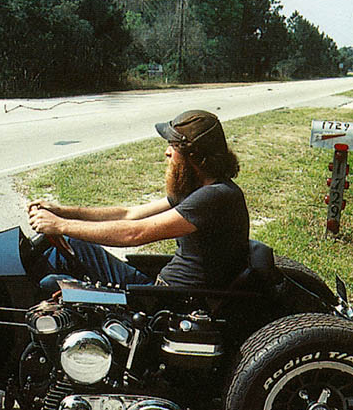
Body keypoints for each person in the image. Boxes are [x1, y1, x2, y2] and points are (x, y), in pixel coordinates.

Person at [28, 109, 249, 290]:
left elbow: (134, 233)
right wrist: (64, 212)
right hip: (165, 289)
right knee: (73, 245)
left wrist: (61, 225)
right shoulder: (201, 188)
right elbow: (129, 214)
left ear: (193, 155)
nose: (167, 153)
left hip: (168, 300)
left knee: (49, 284)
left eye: (172, 146)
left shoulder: (213, 197)